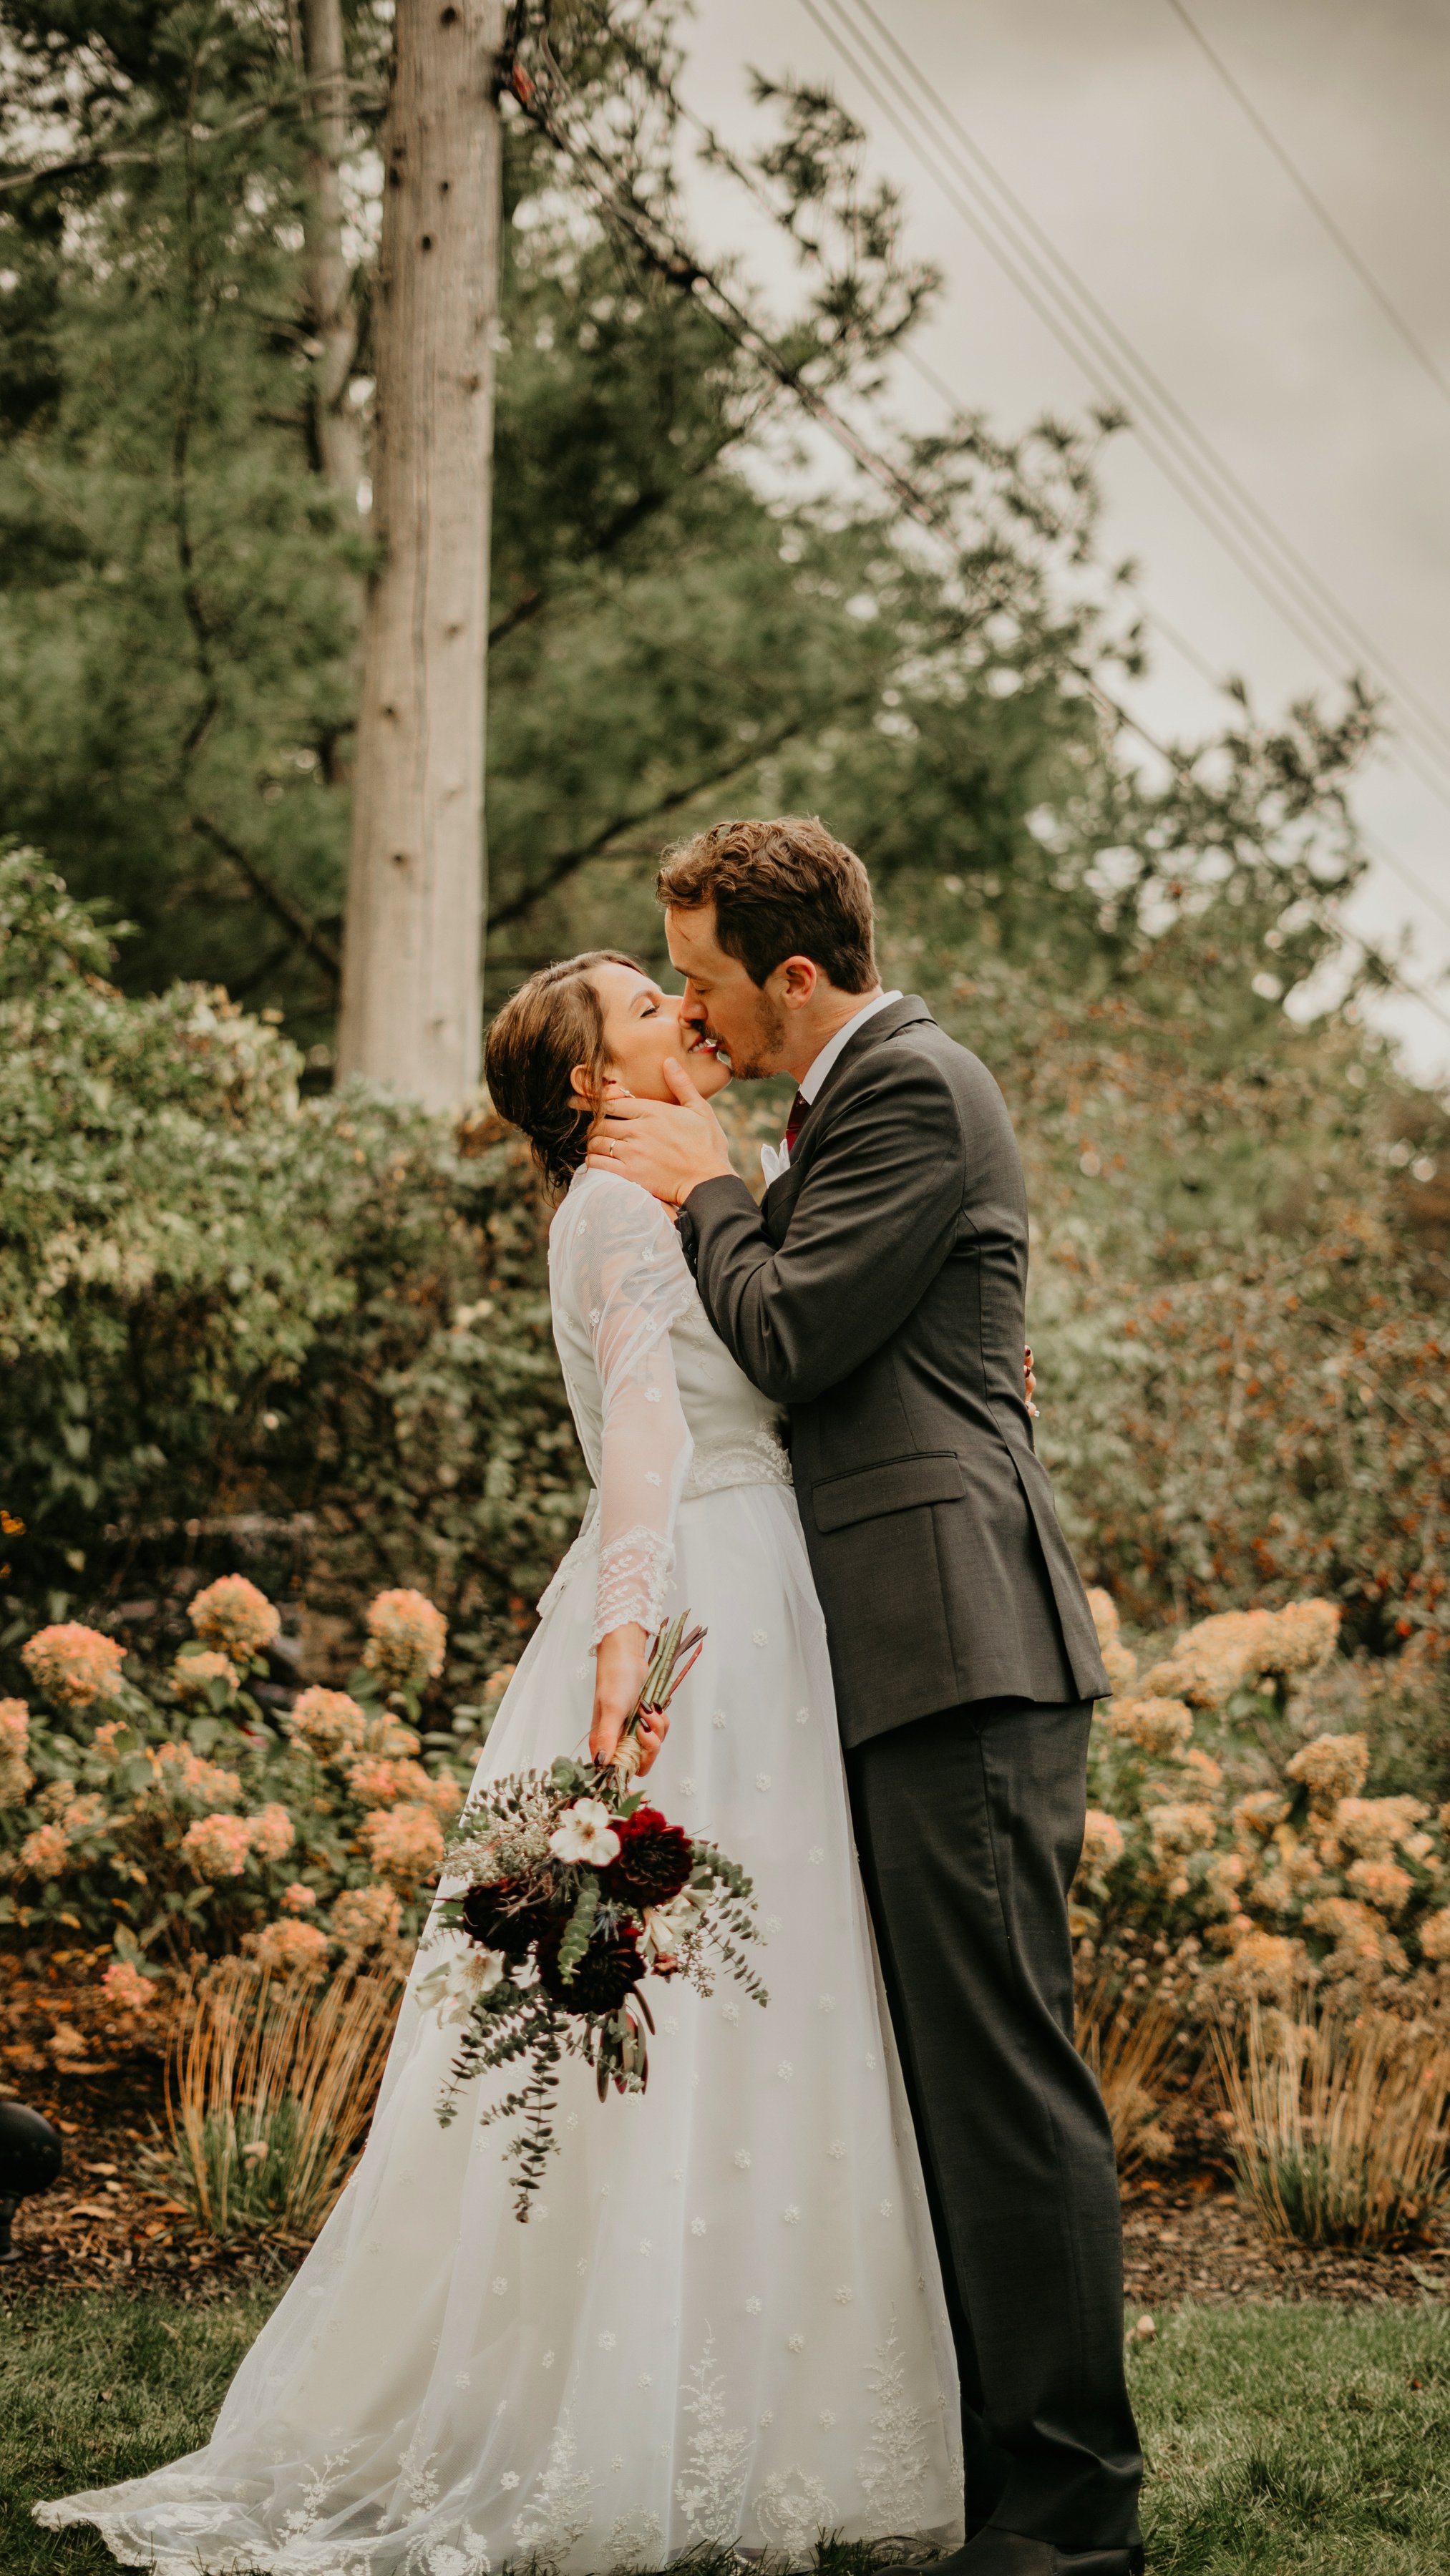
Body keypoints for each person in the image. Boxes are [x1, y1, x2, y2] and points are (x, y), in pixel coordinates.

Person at [36, 947, 965, 2575]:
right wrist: (629, 1646)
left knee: (754, 2003)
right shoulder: (617, 1211)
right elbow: (649, 1434)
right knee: (677, 2014)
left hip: (756, 1591)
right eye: (640, 1004)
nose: (682, 1008)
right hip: (697, 1609)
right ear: (589, 1085)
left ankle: (756, 2405)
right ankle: (635, 2414)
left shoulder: (679, 1189)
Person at [585, 817, 1144, 2576]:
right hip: (899, 1649)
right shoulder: (846, 1106)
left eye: (704, 978)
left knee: (999, 2086)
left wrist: (700, 1184)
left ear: (795, 974)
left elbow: (791, 1332)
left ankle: (1067, 2523)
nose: (694, 1007)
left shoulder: (906, 1087)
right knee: (948, 2082)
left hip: (958, 1645)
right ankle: (1003, 2482)